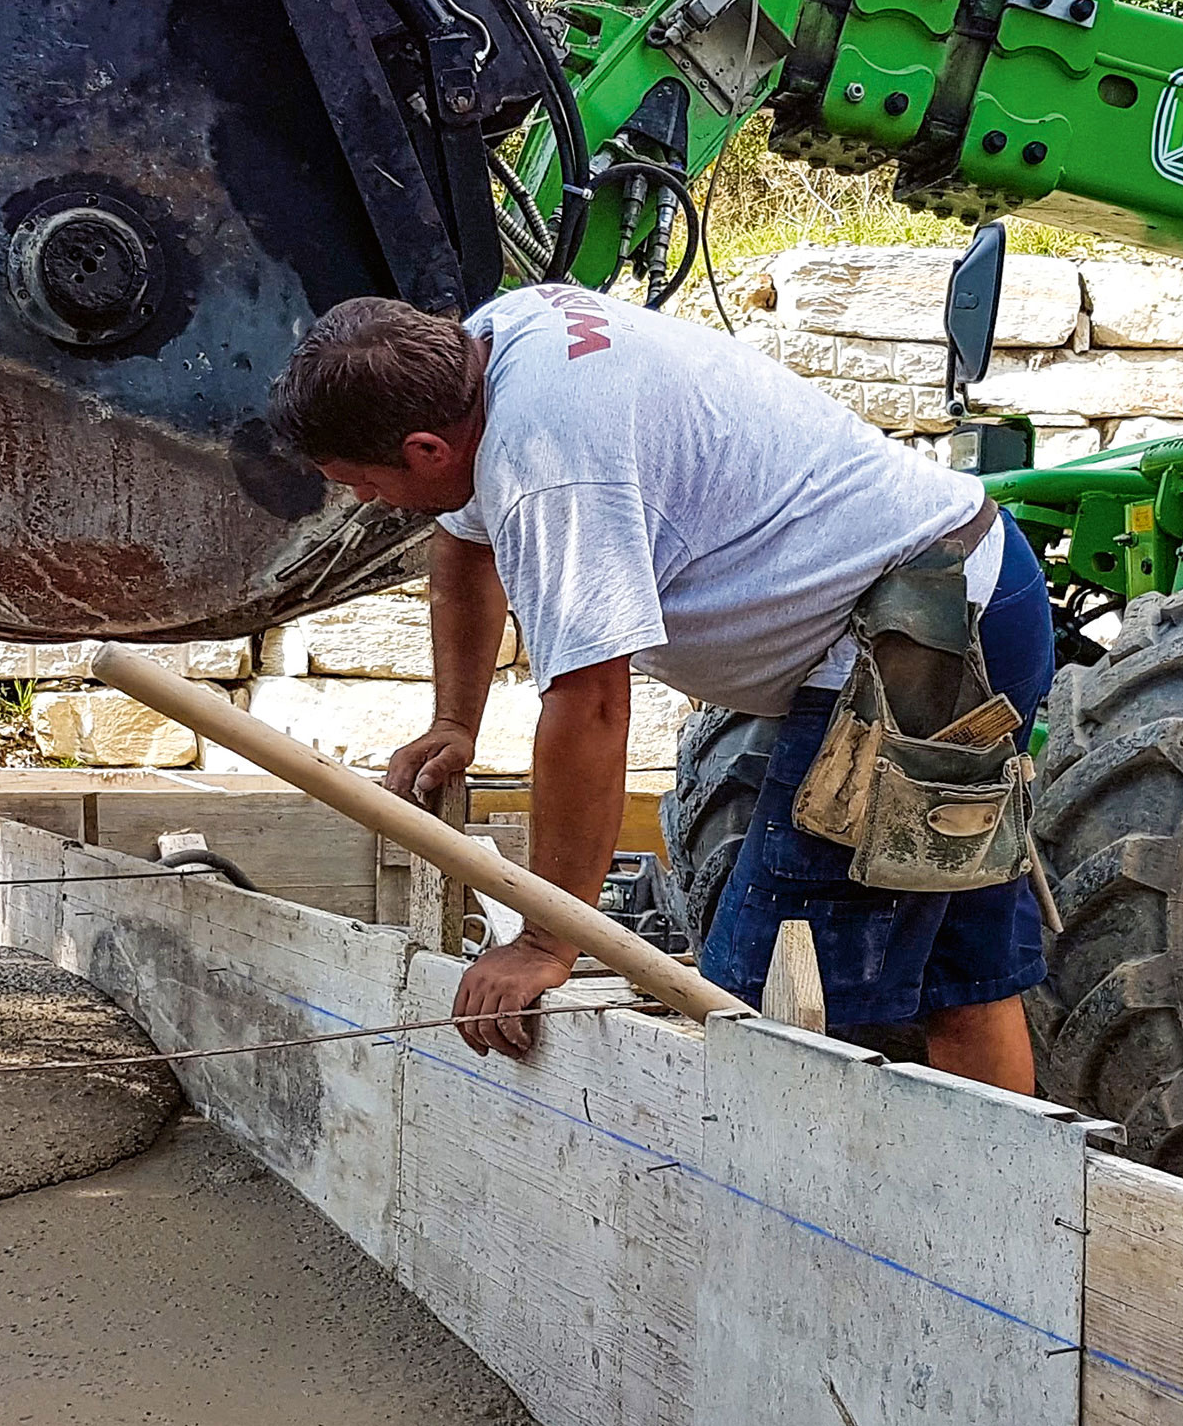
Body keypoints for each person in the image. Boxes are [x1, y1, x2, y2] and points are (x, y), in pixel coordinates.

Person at [267, 283, 1056, 1092]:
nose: (364, 499)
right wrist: (452, 720)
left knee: (761, 1001)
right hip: (959, 587)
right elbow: (464, 546)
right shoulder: (490, 344)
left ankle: (797, 1218)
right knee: (962, 975)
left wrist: (547, 941)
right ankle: (1013, 1208)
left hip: (927, 637)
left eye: (359, 480)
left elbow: (593, 706)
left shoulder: (553, 467)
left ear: (428, 448)